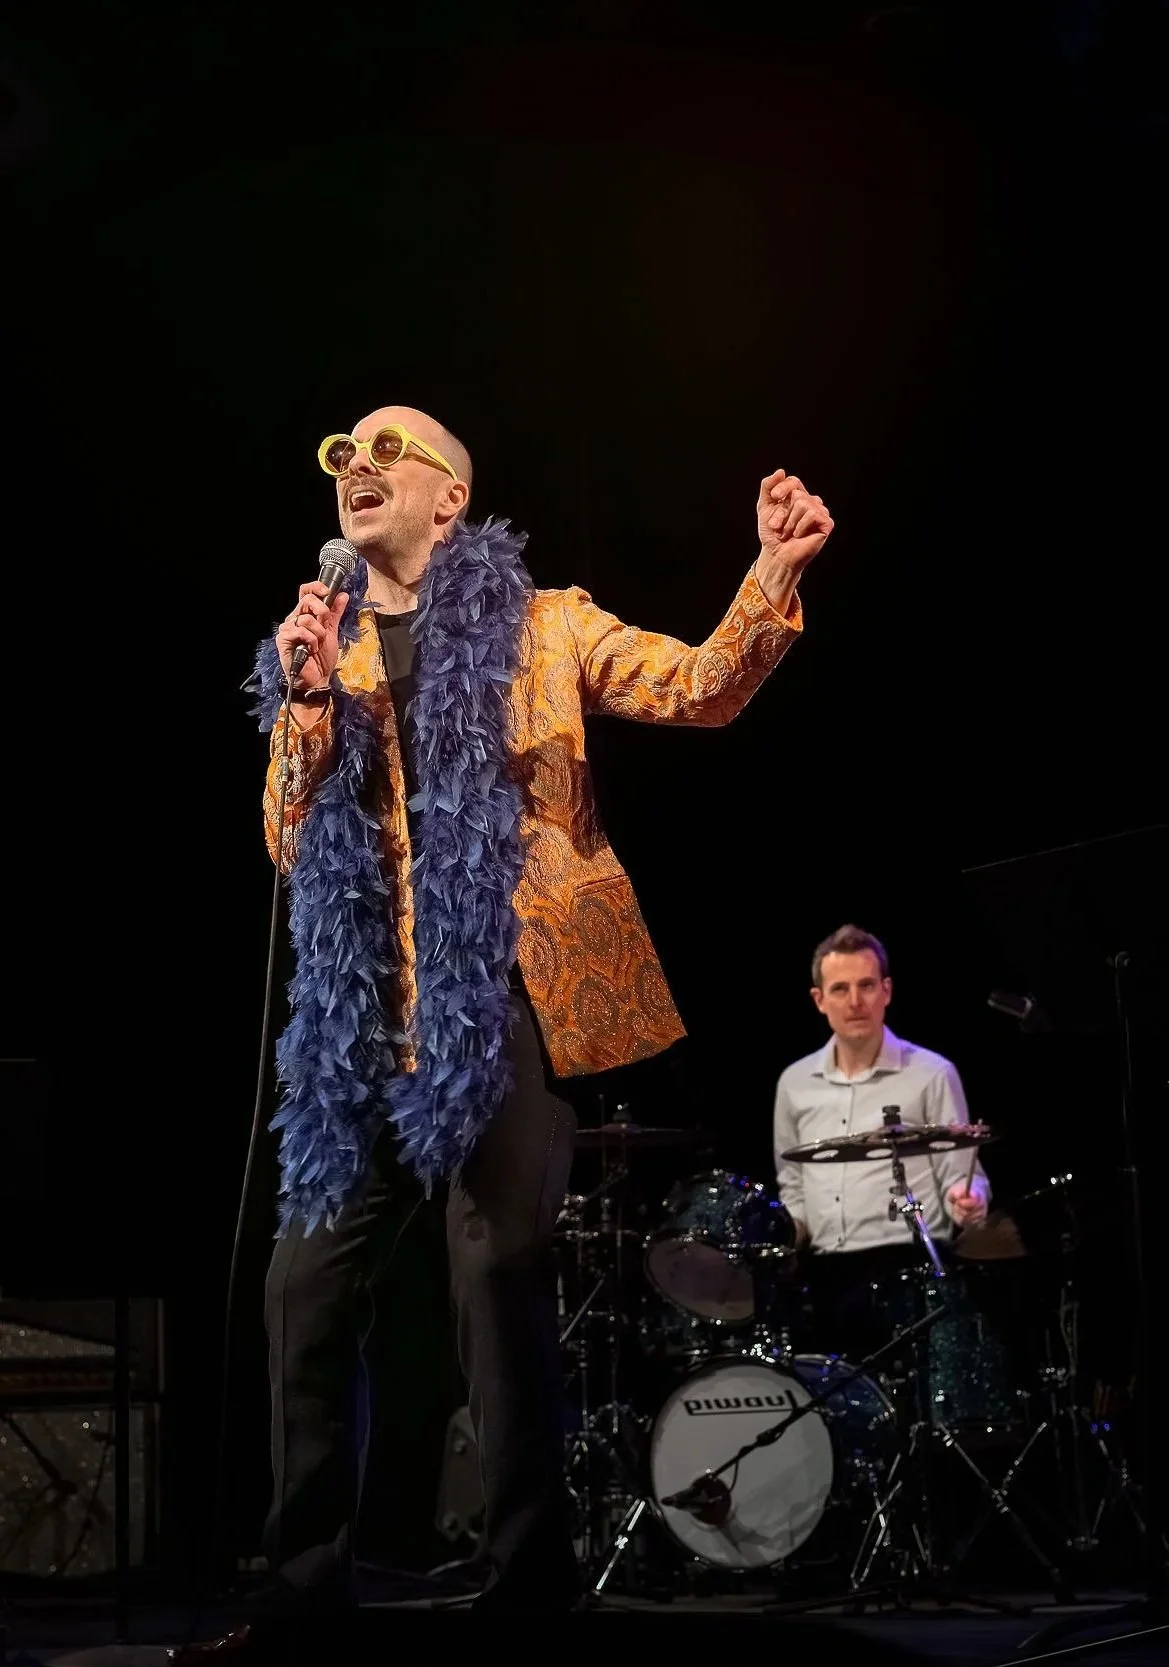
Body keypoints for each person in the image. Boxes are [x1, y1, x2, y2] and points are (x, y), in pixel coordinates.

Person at [169, 406, 834, 1659]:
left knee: (495, 1272)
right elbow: (283, 838)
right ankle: (303, 1588)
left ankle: (526, 1583)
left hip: (504, 996)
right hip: (362, 1020)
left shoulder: (544, 624)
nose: (358, 468)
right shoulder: (321, 645)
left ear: (450, 499)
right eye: (343, 455)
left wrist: (771, 571)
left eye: (388, 451)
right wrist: (302, 702)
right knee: (300, 1286)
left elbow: (697, 686)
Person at [772, 924, 991, 1376]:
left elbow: (961, 1173)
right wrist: (780, 1240)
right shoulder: (794, 1083)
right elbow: (792, 1186)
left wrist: (968, 1200)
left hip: (908, 1270)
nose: (855, 1001)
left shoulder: (932, 1073)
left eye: (867, 985)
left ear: (886, 991)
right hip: (827, 1277)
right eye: (841, 989)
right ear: (819, 999)